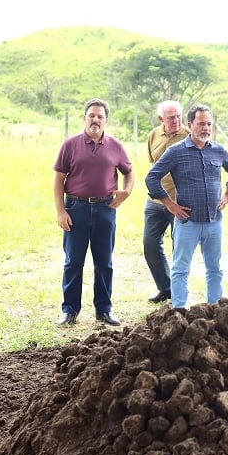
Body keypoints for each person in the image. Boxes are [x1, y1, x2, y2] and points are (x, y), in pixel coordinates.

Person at [145, 104, 228, 308]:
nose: (205, 128)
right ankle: (179, 310)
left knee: (214, 269)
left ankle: (215, 309)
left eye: (209, 124)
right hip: (187, 222)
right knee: (180, 269)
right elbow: (152, 178)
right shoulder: (176, 152)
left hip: (214, 222)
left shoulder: (218, 150)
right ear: (190, 125)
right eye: (201, 124)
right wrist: (170, 204)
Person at [53, 98, 134, 326]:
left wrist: (126, 191)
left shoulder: (116, 146)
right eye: (92, 115)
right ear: (85, 118)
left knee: (104, 262)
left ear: (106, 120)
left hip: (105, 209)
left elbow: (129, 172)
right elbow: (58, 179)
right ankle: (69, 311)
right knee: (73, 262)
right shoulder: (70, 145)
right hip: (75, 208)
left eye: (100, 116)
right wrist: (61, 211)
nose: (95, 120)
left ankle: (104, 310)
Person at [143, 100, 190, 304]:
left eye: (179, 116)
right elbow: (153, 165)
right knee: (150, 244)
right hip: (155, 201)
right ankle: (165, 288)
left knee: (179, 247)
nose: (176, 120)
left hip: (180, 201)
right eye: (171, 117)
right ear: (161, 119)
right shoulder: (154, 135)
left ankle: (179, 292)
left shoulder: (189, 135)